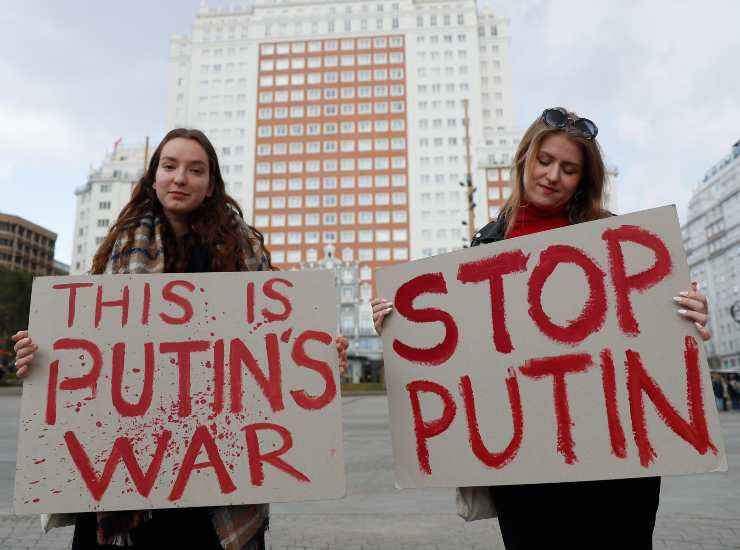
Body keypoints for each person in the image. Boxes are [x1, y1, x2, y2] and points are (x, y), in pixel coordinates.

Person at [371, 107, 712, 549]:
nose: (553, 175)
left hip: (616, 469)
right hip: (527, 474)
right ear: (524, 160)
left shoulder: (615, 237)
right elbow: (469, 356)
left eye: (569, 169)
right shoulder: (485, 246)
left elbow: (652, 335)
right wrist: (400, 329)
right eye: (544, 161)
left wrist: (688, 315)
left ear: (582, 180)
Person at [12, 128, 349, 550]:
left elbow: (278, 347)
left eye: (195, 170)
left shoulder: (243, 253)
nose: (180, 178)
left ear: (211, 185)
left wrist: (318, 357)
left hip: (217, 478)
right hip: (127, 474)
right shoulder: (120, 249)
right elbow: (87, 352)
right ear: (153, 177)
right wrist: (40, 355)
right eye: (169, 166)